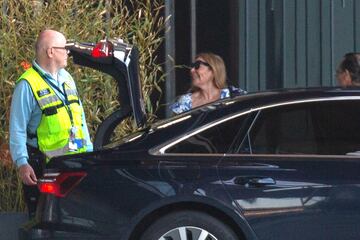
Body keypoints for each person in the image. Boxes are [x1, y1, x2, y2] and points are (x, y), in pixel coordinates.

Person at [9, 29, 93, 218]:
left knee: (74, 220)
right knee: (45, 220)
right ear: (50, 51)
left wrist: (89, 152)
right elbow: (17, 129)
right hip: (44, 166)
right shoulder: (27, 84)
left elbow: (80, 120)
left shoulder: (67, 78)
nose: (68, 53)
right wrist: (22, 163)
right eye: (64, 48)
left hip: (73, 162)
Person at [170, 52, 246, 114]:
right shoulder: (184, 102)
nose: (192, 70)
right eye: (192, 66)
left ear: (213, 70)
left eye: (197, 66)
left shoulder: (234, 95)